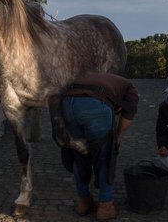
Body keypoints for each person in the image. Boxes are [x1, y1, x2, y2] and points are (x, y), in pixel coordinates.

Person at [49, 73, 139, 220]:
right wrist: (116, 138)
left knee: (79, 153)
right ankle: (105, 205)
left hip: (66, 103)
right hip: (94, 104)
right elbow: (127, 120)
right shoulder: (131, 89)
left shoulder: (106, 80)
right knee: (105, 155)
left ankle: (84, 201)